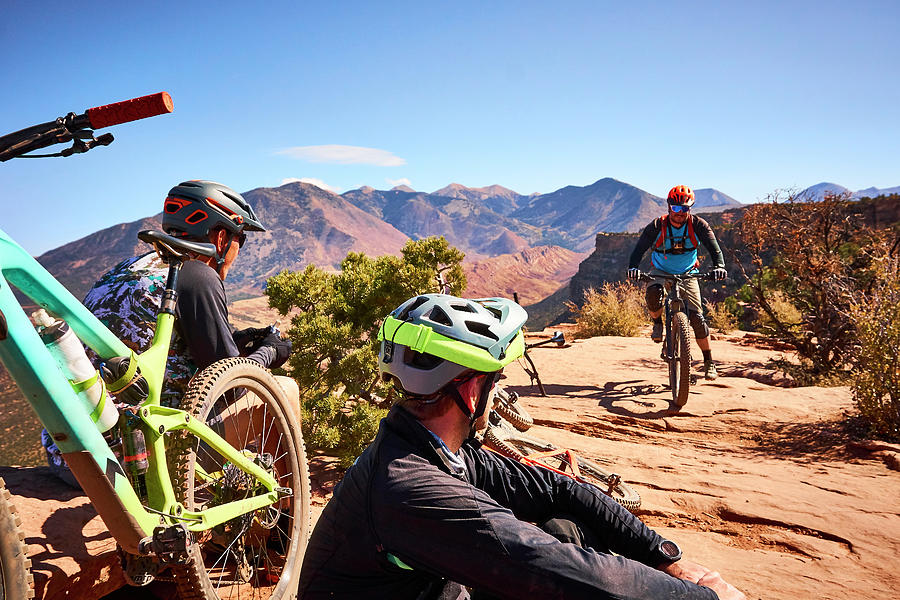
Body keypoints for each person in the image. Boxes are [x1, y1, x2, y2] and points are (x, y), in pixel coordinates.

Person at [298, 293, 745, 600]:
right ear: (472, 392)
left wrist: (669, 561)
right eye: (497, 383)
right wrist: (704, 595)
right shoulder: (411, 489)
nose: (498, 395)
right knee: (568, 571)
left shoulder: (432, 448)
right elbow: (560, 569)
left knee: (565, 528)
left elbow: (560, 489)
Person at [41, 180, 294, 481]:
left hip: (70, 457)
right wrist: (269, 352)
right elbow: (230, 385)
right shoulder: (198, 275)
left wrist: (237, 340)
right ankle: (282, 519)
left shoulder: (123, 269)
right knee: (284, 391)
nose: (239, 250)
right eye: (242, 239)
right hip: (136, 463)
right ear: (223, 236)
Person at [627, 185, 727, 380]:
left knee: (697, 318)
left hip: (688, 272)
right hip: (661, 270)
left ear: (690, 209)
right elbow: (639, 249)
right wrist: (633, 267)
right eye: (676, 208)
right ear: (669, 207)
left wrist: (720, 267)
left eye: (684, 209)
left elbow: (715, 250)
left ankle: (709, 361)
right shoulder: (657, 226)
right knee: (653, 293)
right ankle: (657, 324)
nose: (680, 213)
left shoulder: (698, 225)